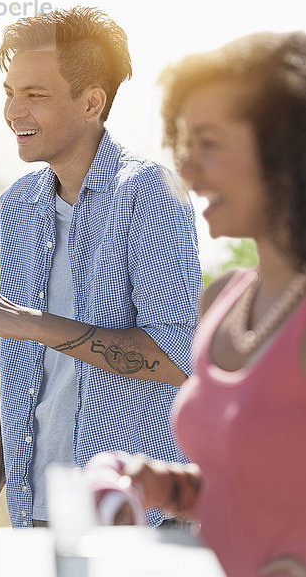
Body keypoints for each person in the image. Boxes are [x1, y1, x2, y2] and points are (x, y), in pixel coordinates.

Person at [0, 6, 202, 534]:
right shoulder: (17, 207)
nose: (13, 110)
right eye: (9, 92)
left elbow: (175, 359)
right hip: (36, 510)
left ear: (92, 102)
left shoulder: (149, 192)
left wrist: (26, 322)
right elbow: (24, 374)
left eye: (35, 95)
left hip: (134, 519)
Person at [88, 31, 306, 576]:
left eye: (208, 143)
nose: (186, 168)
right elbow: (264, 491)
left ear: (286, 147)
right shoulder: (223, 301)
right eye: (183, 145)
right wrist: (170, 486)